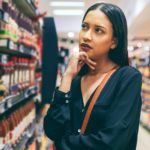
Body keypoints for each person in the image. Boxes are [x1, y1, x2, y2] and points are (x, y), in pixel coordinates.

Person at [44, 3, 142, 150]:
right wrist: (67, 76)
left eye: (98, 30)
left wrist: (61, 144)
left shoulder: (127, 78)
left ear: (114, 42)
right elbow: (52, 130)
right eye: (84, 27)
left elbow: (112, 143)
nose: (86, 36)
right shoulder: (75, 82)